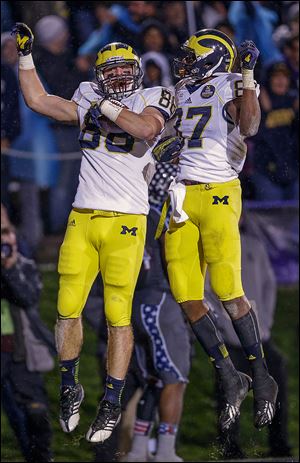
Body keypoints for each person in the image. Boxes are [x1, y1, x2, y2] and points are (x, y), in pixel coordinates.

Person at [12, 22, 175, 444]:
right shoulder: (92, 101)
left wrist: (100, 102)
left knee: (118, 315)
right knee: (67, 307)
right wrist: (26, 56)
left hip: (126, 221)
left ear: (137, 70)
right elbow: (38, 100)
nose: (119, 76)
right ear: (102, 74)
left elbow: (145, 129)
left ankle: (111, 399)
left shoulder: (154, 96)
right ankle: (70, 385)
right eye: (111, 70)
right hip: (82, 216)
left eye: (125, 69)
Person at [153, 29, 278, 433]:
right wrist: (163, 146)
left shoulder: (230, 82)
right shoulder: (183, 90)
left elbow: (251, 125)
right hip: (182, 196)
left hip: (220, 191)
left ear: (211, 58)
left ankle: (261, 376)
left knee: (227, 290)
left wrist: (246, 76)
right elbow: (169, 138)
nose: (184, 63)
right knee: (186, 295)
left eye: (191, 56)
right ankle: (229, 375)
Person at [205, 213, 292, 459]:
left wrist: (265, 321)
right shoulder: (212, 247)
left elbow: (268, 284)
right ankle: (230, 448)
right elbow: (203, 291)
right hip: (230, 341)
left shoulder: (254, 245)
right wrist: (221, 324)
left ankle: (279, 445)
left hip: (259, 337)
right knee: (228, 391)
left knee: (277, 378)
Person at [1, 204, 55, 462]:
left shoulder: (23, 265)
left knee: (34, 414)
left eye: (5, 232)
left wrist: (9, 267)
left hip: (19, 353)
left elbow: (28, 297)